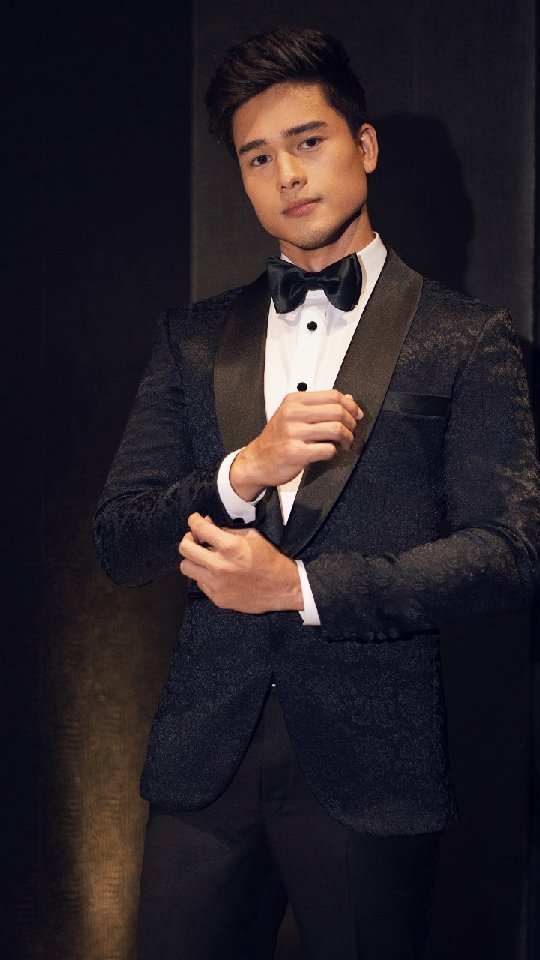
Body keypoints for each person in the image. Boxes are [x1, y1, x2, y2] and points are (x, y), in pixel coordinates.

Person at [93, 26, 540, 960]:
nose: (288, 175)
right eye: (259, 157)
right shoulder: (192, 338)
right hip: (204, 763)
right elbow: (121, 540)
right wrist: (242, 470)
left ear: (363, 146)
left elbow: (508, 553)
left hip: (375, 761)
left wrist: (299, 589)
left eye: (308, 141)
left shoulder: (467, 338)